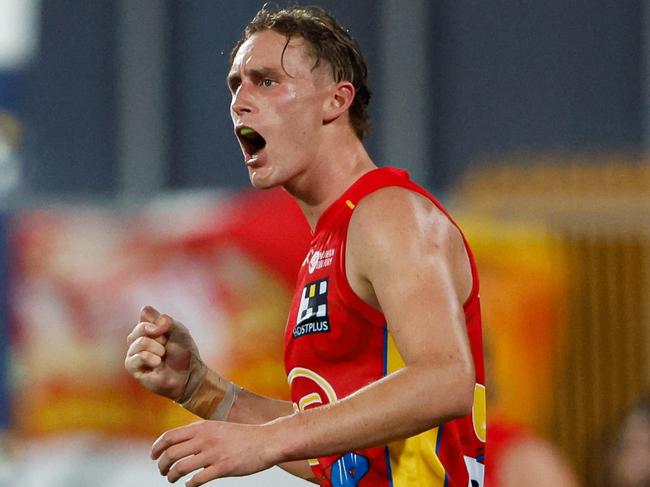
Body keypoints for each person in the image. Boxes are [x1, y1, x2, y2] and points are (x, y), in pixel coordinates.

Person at [125, 5, 486, 487]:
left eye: (267, 81)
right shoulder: (329, 242)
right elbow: (346, 461)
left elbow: (445, 381)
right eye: (236, 85)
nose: (240, 101)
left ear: (336, 101)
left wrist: (270, 440)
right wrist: (202, 389)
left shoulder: (387, 213)